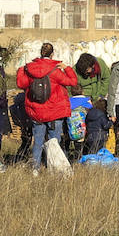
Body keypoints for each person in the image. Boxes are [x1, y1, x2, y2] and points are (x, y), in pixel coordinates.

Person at [15, 42, 79, 174]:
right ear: (52, 54)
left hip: (36, 112)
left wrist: (22, 69)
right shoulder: (55, 70)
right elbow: (72, 82)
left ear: (40, 53)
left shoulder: (30, 69)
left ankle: (35, 169)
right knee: (54, 142)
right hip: (54, 112)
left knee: (37, 141)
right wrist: (66, 68)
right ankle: (54, 169)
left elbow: (21, 83)